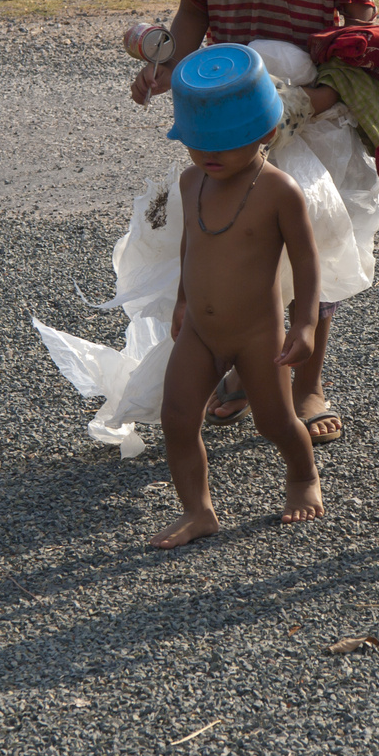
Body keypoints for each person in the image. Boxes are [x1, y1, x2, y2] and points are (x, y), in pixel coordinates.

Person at [130, 0, 377, 445]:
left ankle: (309, 382)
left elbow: (362, 29)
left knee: (315, 250)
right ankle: (243, 368)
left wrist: (318, 99)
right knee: (231, 247)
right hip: (229, 121)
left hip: (312, 119)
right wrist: (164, 68)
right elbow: (192, 12)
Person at [151, 45, 324, 548]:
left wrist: (306, 324)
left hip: (258, 336)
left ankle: (302, 475)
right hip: (202, 332)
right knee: (177, 418)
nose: (210, 156)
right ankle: (198, 510)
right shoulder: (191, 181)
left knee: (275, 421)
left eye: (225, 145)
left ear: (266, 133)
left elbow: (309, 263)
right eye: (198, 143)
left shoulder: (279, 191)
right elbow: (192, 245)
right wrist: (183, 300)